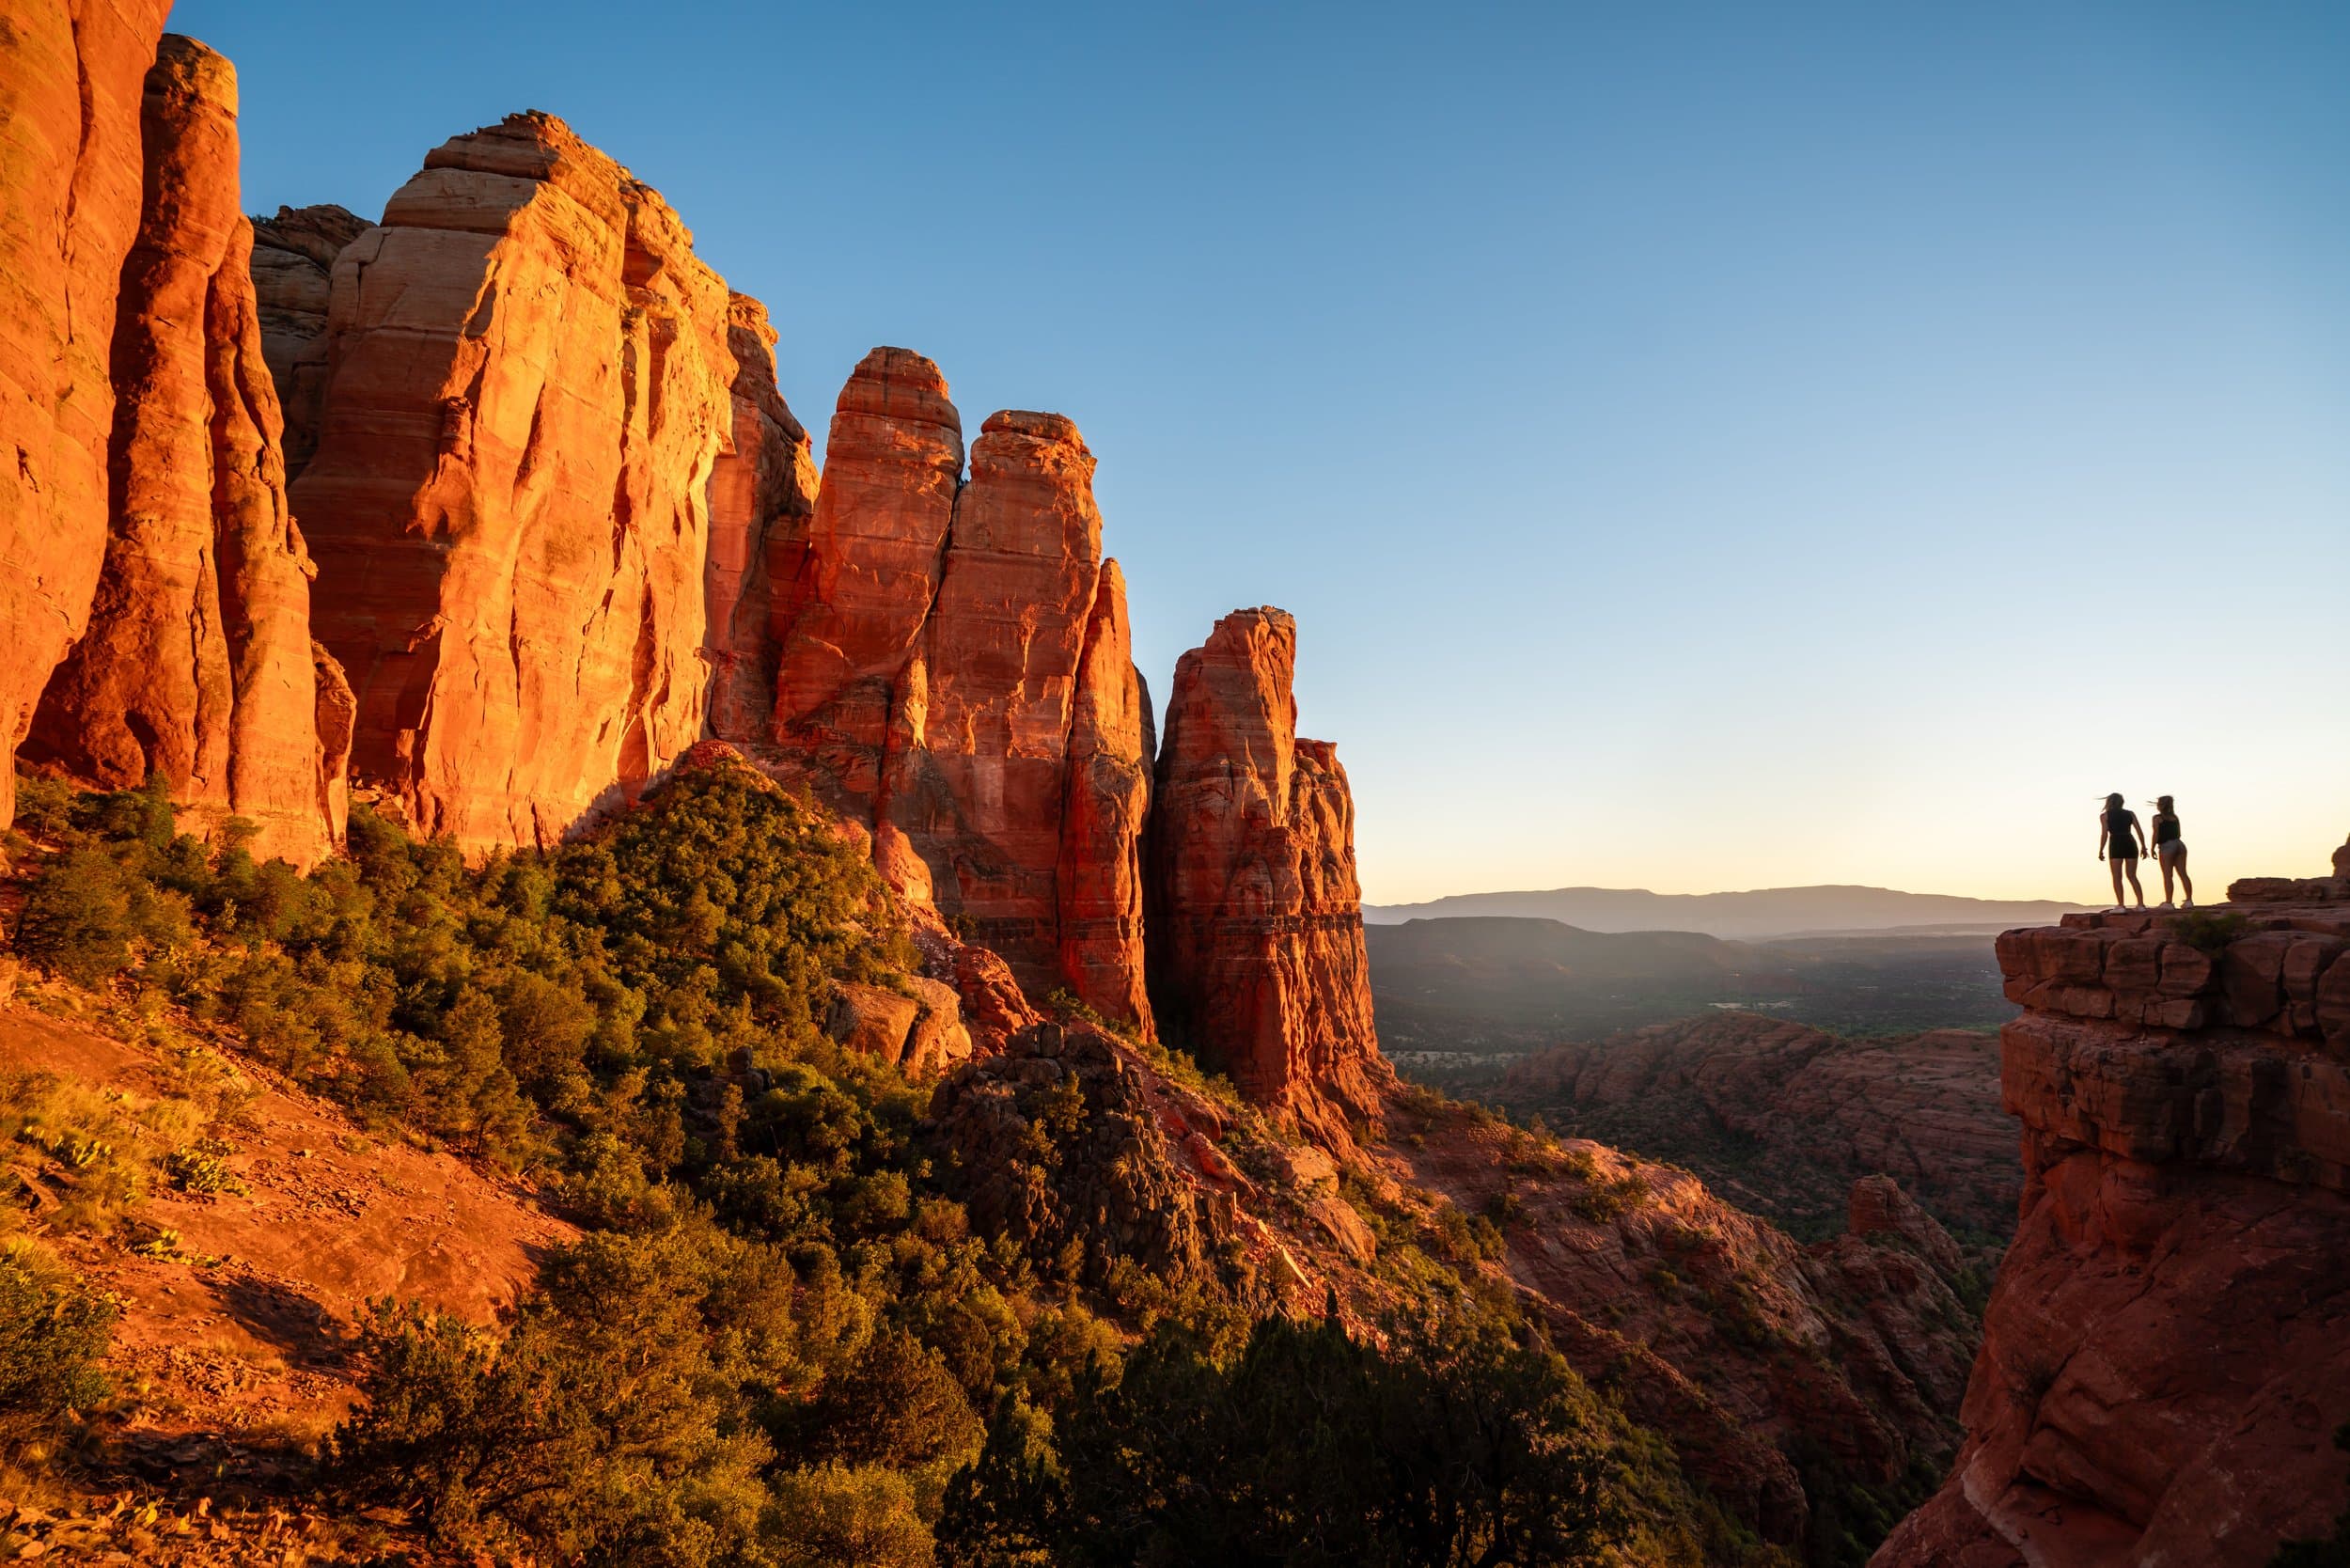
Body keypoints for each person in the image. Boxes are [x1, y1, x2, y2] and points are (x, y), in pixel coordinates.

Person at [2099, 792, 2148, 912]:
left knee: (2117, 876)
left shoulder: (2105, 816)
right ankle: (2141, 904)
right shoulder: (2130, 814)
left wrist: (2100, 850)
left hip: (2116, 843)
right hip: (2130, 842)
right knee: (2132, 875)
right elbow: (2139, 831)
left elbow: (2104, 834)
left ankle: (2121, 905)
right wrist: (2143, 846)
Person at [2151, 795, 2192, 909]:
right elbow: (2179, 832)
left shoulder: (2157, 818)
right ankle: (2189, 900)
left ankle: (2169, 902)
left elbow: (2156, 834)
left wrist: (2152, 847)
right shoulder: (2175, 817)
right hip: (2179, 844)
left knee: (2168, 875)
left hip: (2167, 846)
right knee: (2183, 873)